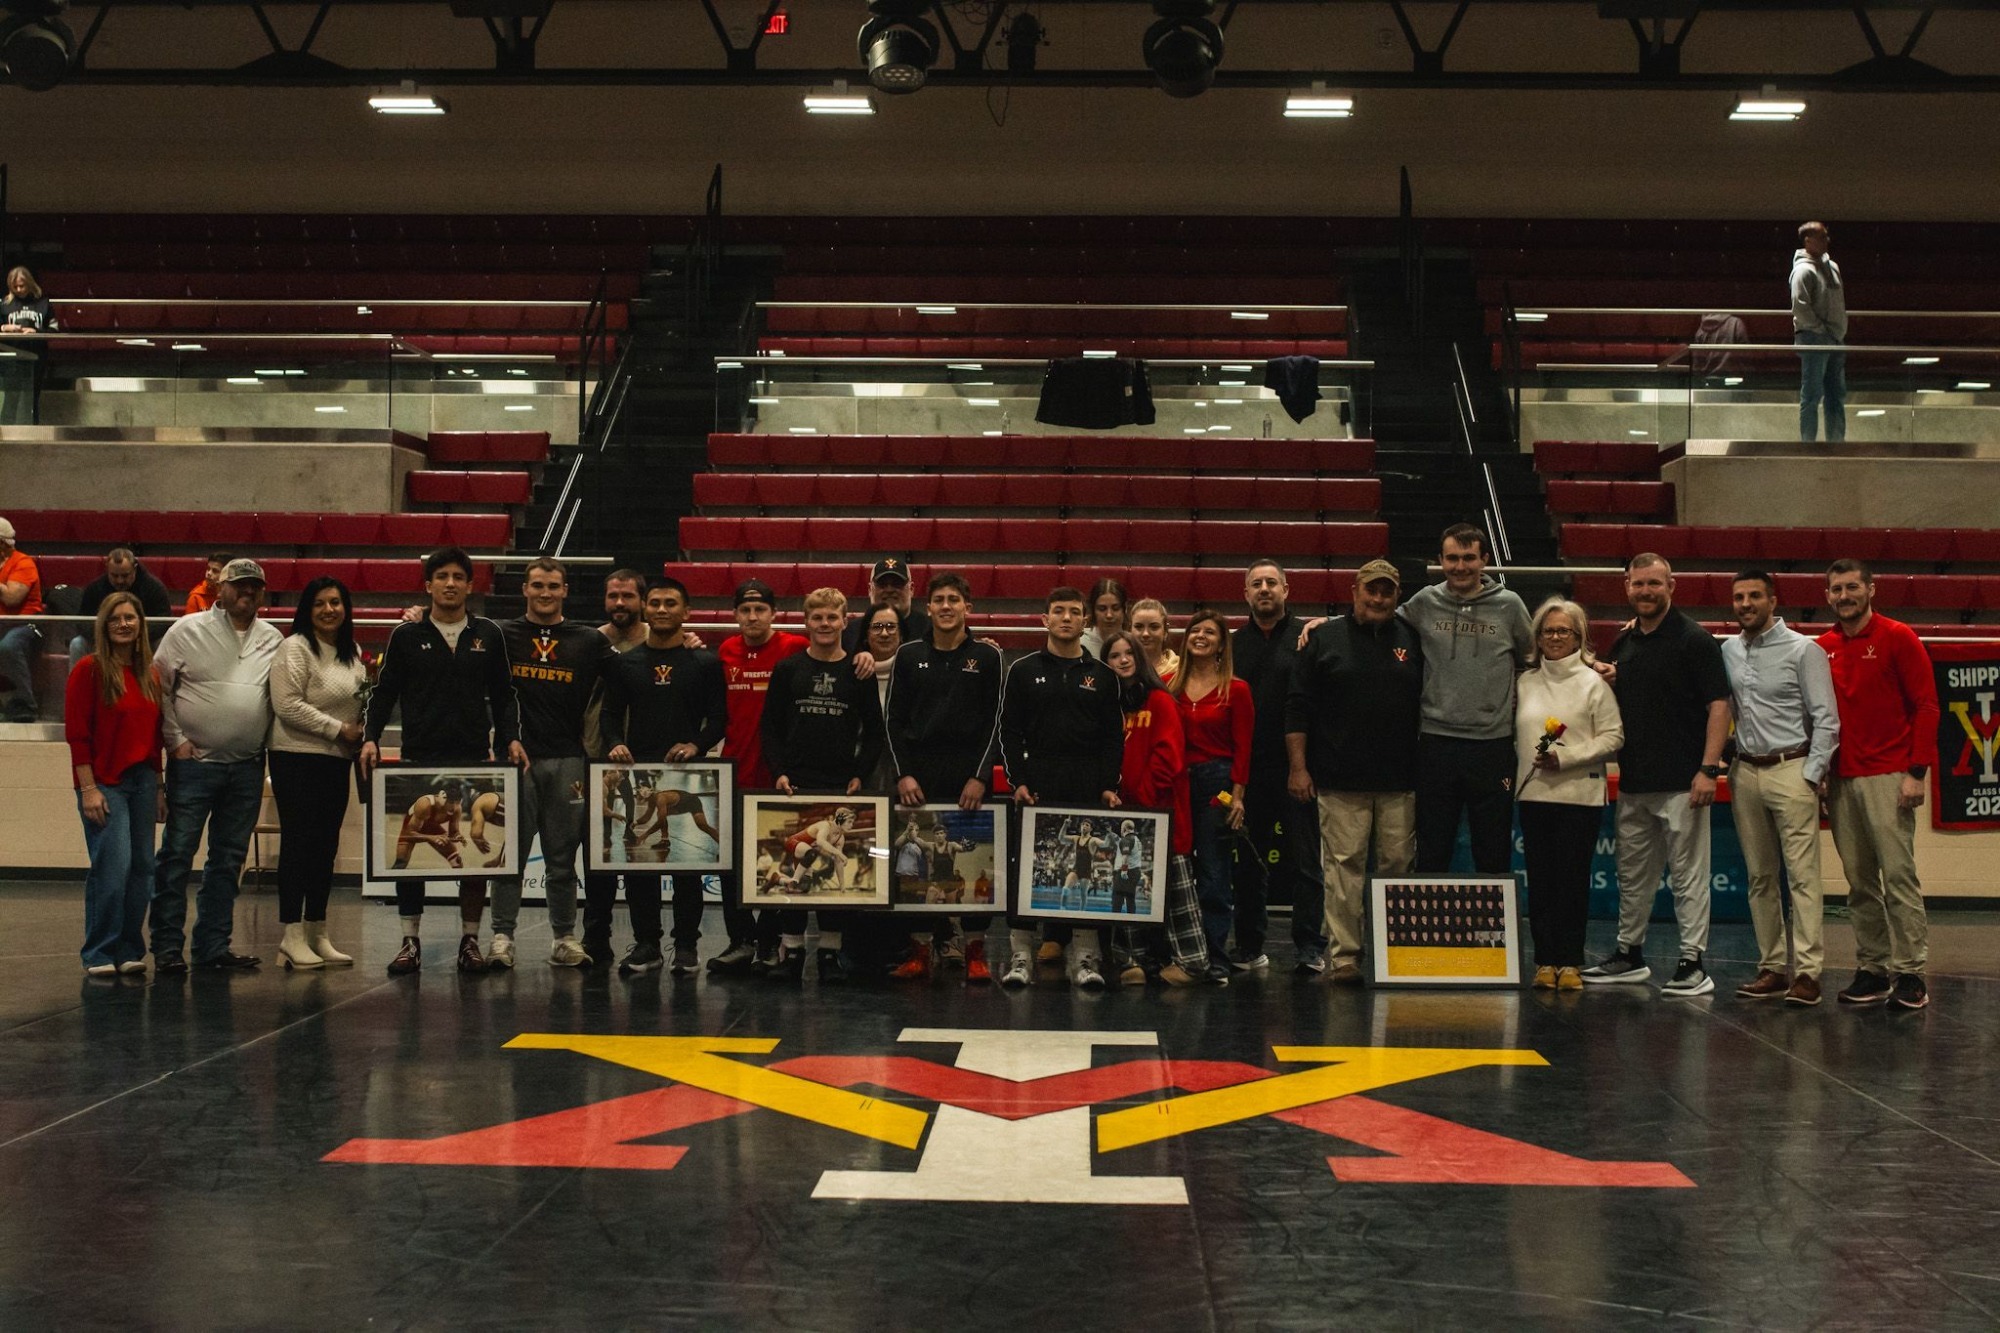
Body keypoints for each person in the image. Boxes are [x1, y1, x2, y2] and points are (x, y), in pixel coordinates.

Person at [360, 547, 526, 977]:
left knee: (470, 856)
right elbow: (385, 693)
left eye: (458, 576)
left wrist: (510, 738)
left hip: (473, 759)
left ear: (471, 586)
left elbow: (505, 696)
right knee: (413, 850)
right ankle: (409, 941)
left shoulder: (488, 634)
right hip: (419, 757)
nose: (450, 583)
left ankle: (470, 940)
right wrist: (371, 738)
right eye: (442, 576)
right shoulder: (405, 636)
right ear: (427, 585)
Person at [1583, 554, 1732, 997]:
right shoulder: (1625, 642)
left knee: (1687, 876)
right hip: (1634, 782)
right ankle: (1630, 954)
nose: (1645, 592)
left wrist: (1708, 770)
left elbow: (1719, 706)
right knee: (1633, 876)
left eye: (1654, 584)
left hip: (1684, 783)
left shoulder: (1695, 640)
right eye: (1638, 584)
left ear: (1672, 585)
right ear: (1626, 586)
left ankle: (1692, 962)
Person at [1286, 560, 1424, 984]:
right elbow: (1297, 707)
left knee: (1398, 868)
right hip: (1339, 778)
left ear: (1398, 595)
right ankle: (1345, 957)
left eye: (1387, 591)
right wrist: (1299, 768)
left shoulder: (1413, 639)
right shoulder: (1323, 638)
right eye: (1371, 590)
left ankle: (1394, 953)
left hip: (1400, 780)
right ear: (1354, 591)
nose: (1379, 598)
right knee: (1343, 870)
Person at [1818, 558, 1940, 1011]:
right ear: (1827, 596)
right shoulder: (1823, 646)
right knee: (1859, 881)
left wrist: (1917, 772)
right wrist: (1823, 776)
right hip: (1842, 779)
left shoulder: (1897, 636)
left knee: (1899, 877)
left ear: (1872, 589)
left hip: (1891, 776)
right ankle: (1873, 968)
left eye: (1852, 587)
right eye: (1836, 589)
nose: (1844, 596)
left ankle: (1911, 973)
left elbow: (1927, 706)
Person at [149, 557, 281, 972]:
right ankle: (168, 947)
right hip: (194, 764)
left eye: (254, 586)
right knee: (177, 856)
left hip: (245, 767)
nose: (247, 592)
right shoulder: (186, 630)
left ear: (262, 593)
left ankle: (212, 946)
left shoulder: (274, 638)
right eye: (239, 585)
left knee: (227, 862)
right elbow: (159, 688)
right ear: (219, 589)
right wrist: (176, 742)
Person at [490, 558, 618, 971]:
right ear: (524, 589)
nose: (545, 593)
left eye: (554, 586)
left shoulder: (588, 640)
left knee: (562, 858)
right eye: (538, 585)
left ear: (565, 591)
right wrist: (416, 616)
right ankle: (502, 936)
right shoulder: (500, 634)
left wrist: (685, 642)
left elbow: (634, 668)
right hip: (517, 760)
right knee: (510, 854)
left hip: (568, 760)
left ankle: (564, 937)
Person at [1723, 570, 1841, 1006]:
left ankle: (1808, 973)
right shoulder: (1729, 650)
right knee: (1759, 876)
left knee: (1804, 877)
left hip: (1792, 767)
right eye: (1739, 597)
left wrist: (1811, 774)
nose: (1746, 603)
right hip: (1745, 772)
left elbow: (1826, 718)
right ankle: (1772, 966)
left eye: (1755, 596)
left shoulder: (1803, 649)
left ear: (1773, 601)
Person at [599, 576, 728, 976]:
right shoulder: (626, 663)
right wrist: (615, 743)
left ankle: (687, 946)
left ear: (686, 612)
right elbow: (607, 715)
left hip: (685, 771)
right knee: (642, 864)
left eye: (670, 603)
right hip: (641, 771)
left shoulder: (704, 663)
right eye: (654, 602)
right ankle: (647, 944)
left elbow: (720, 720)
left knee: (686, 867)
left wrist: (697, 746)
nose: (661, 609)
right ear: (645, 608)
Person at [998, 585, 1124, 988]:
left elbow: (1112, 738)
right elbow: (1010, 732)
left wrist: (1107, 784)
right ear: (1044, 619)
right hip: (1038, 781)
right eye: (1059, 611)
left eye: (1074, 612)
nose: (1066, 618)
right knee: (1027, 868)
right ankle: (1020, 956)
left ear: (1084, 621)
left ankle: (1086, 957)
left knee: (1081, 868)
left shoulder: (1104, 677)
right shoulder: (1022, 669)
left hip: (1086, 779)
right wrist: (1018, 780)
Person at [760, 587, 885, 983]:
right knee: (798, 864)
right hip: (795, 782)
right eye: (817, 618)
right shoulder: (788, 669)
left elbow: (876, 733)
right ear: (805, 622)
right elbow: (771, 726)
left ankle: (830, 953)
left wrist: (859, 774)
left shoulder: (859, 671)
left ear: (845, 621)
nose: (825, 625)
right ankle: (792, 950)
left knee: (830, 869)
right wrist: (778, 770)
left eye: (832, 617)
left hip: (839, 784)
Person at [885, 570, 1004, 984]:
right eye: (940, 600)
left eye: (955, 599)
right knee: (916, 865)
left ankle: (973, 949)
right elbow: (894, 721)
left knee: (971, 863)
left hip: (968, 776)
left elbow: (997, 722)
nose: (947, 606)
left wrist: (980, 776)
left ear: (968, 608)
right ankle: (920, 949)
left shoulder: (988, 658)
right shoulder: (908, 654)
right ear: (928, 607)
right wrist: (904, 775)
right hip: (919, 775)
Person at [1401, 523, 1533, 876]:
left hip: (1492, 745)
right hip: (1435, 743)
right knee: (1433, 848)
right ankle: (1430, 930)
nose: (1461, 567)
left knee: (1492, 850)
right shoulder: (1425, 602)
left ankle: (1493, 932)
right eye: (1453, 558)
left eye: (1469, 558)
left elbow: (1538, 654)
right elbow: (1376, 624)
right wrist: (1325, 623)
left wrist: (1588, 661)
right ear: (1440, 561)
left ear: (1485, 560)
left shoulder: (1509, 605)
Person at [1514, 597, 1623, 991]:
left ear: (1579, 637)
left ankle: (1571, 963)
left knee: (1572, 883)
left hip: (1580, 797)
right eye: (1549, 631)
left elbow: (1614, 736)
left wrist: (1569, 758)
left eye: (1564, 631)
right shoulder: (1524, 682)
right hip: (1534, 798)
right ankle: (1545, 961)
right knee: (1540, 883)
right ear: (1538, 637)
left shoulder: (1594, 683)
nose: (1555, 637)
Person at [706, 579, 811, 975]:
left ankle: (767, 943)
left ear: (774, 614)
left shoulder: (794, 648)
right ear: (735, 615)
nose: (752, 616)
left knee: (773, 863)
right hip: (735, 772)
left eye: (760, 610)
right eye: (745, 610)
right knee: (732, 865)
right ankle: (740, 941)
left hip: (778, 776)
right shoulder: (726, 651)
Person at [266, 576, 366, 970]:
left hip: (334, 760)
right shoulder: (294, 648)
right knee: (298, 844)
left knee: (326, 846)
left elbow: (358, 702)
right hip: (296, 757)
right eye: (320, 603)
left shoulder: (351, 652)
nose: (329, 610)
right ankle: (291, 934)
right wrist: (339, 729)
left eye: (336, 602)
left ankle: (316, 931)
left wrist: (359, 731)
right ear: (307, 610)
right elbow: (286, 704)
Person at [1233, 560, 1327, 975]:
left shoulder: (1312, 636)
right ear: (1246, 594)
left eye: (1272, 583)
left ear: (1287, 590)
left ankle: (1309, 946)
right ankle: (1250, 946)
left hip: (1300, 767)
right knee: (1248, 862)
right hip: (1249, 770)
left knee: (1306, 862)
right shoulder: (1233, 645)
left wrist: (1329, 621)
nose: (1265, 589)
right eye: (1257, 584)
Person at [65, 592, 165, 977]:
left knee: (142, 868)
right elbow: (77, 736)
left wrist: (158, 788)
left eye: (131, 617)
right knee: (113, 865)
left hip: (142, 782)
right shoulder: (88, 670)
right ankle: (99, 952)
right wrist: (87, 789)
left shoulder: (150, 674)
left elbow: (155, 739)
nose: (124, 624)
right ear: (104, 626)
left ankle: (128, 948)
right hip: (104, 783)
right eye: (116, 618)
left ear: (141, 624)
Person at [1102, 629, 1209, 985]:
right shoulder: (1107, 707)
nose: (1123, 660)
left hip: (1162, 813)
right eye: (1114, 656)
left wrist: (1144, 802)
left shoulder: (1160, 701)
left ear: (1139, 658)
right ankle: (1132, 958)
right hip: (1123, 815)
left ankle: (1191, 961)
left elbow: (1169, 758)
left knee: (1176, 886)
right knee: (1126, 886)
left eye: (1128, 653)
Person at [1172, 606, 1254, 976]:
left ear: (1222, 643)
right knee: (1176, 867)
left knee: (1213, 871)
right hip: (1176, 781)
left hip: (1217, 784)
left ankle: (1216, 956)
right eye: (1195, 630)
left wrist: (1237, 796)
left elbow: (1244, 746)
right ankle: (1180, 952)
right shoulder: (1170, 684)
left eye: (1210, 632)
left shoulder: (1236, 689)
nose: (1201, 636)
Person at [577, 567, 649, 966]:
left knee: (635, 849)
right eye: (613, 597)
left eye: (628, 596)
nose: (619, 604)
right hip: (595, 756)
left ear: (642, 599)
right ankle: (595, 936)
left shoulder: (660, 641)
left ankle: (645, 939)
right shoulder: (589, 641)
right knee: (597, 852)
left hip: (643, 759)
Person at [70, 548, 172, 671]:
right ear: (107, 568)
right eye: (114, 575)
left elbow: (164, 622)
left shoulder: (154, 588)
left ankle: (160, 688)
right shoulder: (94, 588)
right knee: (78, 644)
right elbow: (82, 622)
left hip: (143, 641)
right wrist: (106, 636)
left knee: (162, 643)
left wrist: (136, 635)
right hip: (104, 641)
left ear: (134, 568)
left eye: (125, 575)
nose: (119, 580)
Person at [1792, 220, 1847, 444]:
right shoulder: (1802, 272)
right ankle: (1808, 444)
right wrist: (1820, 329)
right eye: (1822, 236)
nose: (1827, 240)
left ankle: (1836, 443)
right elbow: (1800, 306)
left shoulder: (1832, 267)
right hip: (1814, 338)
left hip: (1835, 337)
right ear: (1808, 241)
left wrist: (1838, 330)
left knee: (1836, 395)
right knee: (1812, 394)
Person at [0, 516, 45, 722]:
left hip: (24, 624)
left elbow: (11, 597)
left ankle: (25, 703)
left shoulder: (23, 563)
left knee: (8, 646)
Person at [841, 557, 930, 654]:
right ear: (870, 589)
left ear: (911, 589)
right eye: (882, 584)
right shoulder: (850, 633)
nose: (889, 590)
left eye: (897, 584)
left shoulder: (930, 630)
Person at [1128, 597, 1181, 684]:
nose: (1145, 634)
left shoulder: (1181, 670)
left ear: (1165, 632)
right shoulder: (1120, 667)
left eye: (1154, 627)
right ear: (1129, 630)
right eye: (1139, 627)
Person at [1079, 577, 1128, 660]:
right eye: (1102, 609)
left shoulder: (1134, 645)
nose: (1109, 615)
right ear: (1093, 610)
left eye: (1115, 608)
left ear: (1125, 609)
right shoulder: (1080, 646)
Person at [184, 552, 233, 617]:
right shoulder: (196, 597)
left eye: (215, 571)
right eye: (208, 569)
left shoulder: (235, 596)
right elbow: (190, 625)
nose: (209, 573)